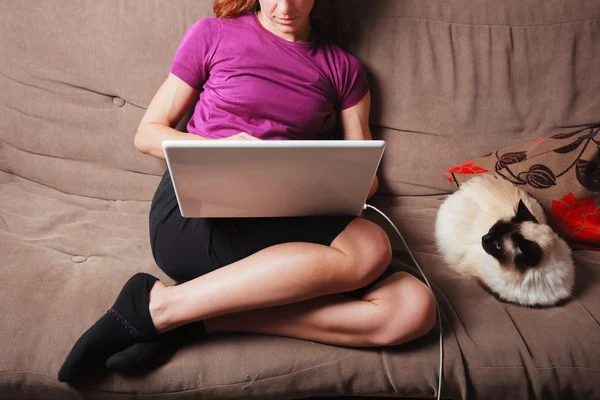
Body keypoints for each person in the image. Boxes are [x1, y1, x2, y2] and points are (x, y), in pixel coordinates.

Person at [58, 0, 436, 382]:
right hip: (196, 218)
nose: (284, 6)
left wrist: (323, 174)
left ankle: (180, 314)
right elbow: (148, 132)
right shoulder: (212, 34)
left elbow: (366, 176)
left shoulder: (345, 68)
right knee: (370, 246)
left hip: (286, 210)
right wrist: (220, 149)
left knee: (412, 309)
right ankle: (161, 310)